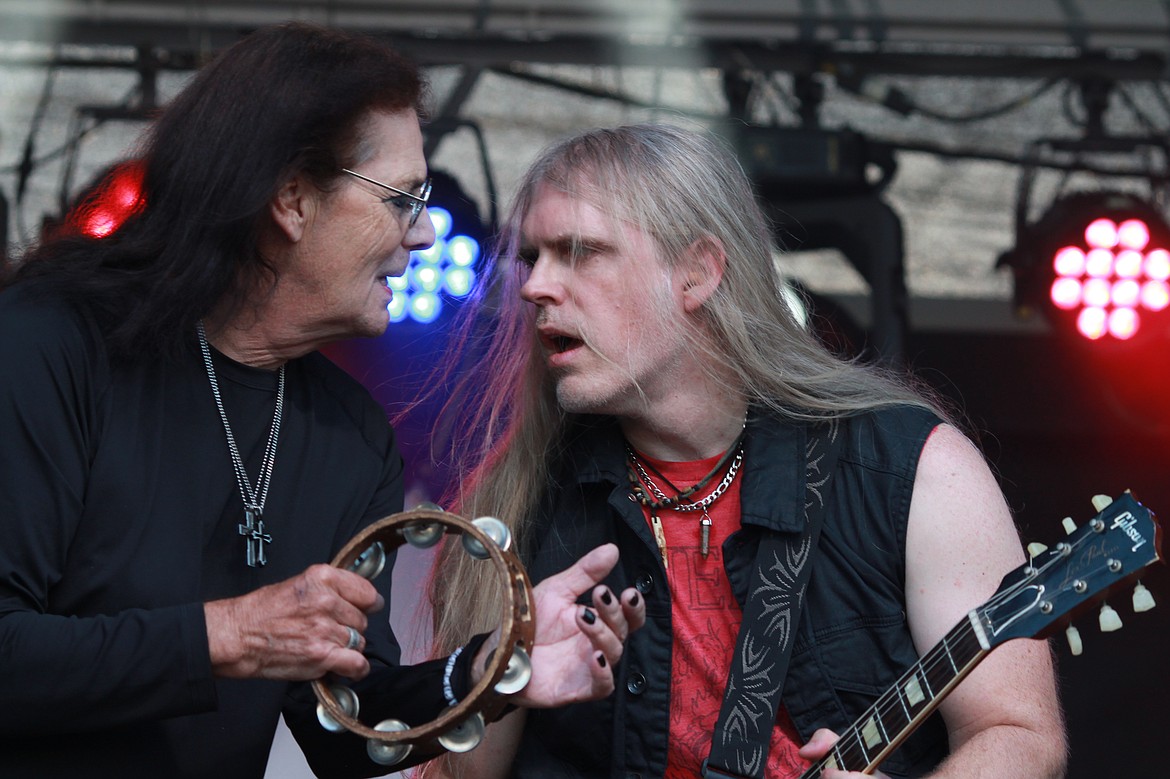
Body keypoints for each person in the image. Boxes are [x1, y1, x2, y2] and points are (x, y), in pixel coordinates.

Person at [0, 23, 643, 779]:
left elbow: (342, 722)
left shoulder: (351, 431)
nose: (427, 232)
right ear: (292, 199)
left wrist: (495, 673)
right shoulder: (46, 346)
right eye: (402, 199)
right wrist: (224, 636)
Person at [424, 124, 1067, 779]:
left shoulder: (915, 468)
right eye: (534, 256)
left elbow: (1017, 732)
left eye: (579, 251)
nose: (535, 286)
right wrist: (506, 674)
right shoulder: (520, 497)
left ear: (698, 272)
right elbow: (456, 773)